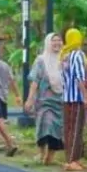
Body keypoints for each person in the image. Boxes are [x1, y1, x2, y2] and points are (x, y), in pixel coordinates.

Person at [24, 33, 64, 165]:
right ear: (48, 43)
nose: (57, 43)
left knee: (56, 129)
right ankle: (42, 153)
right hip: (44, 101)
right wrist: (30, 99)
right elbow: (35, 81)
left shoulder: (64, 59)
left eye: (59, 40)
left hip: (60, 101)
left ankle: (50, 157)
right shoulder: (41, 60)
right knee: (45, 125)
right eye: (54, 41)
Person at [60, 28, 87, 172]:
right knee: (75, 129)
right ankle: (72, 161)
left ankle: (73, 159)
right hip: (76, 98)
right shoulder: (77, 55)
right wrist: (86, 96)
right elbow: (79, 78)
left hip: (66, 98)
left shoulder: (65, 55)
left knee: (70, 129)